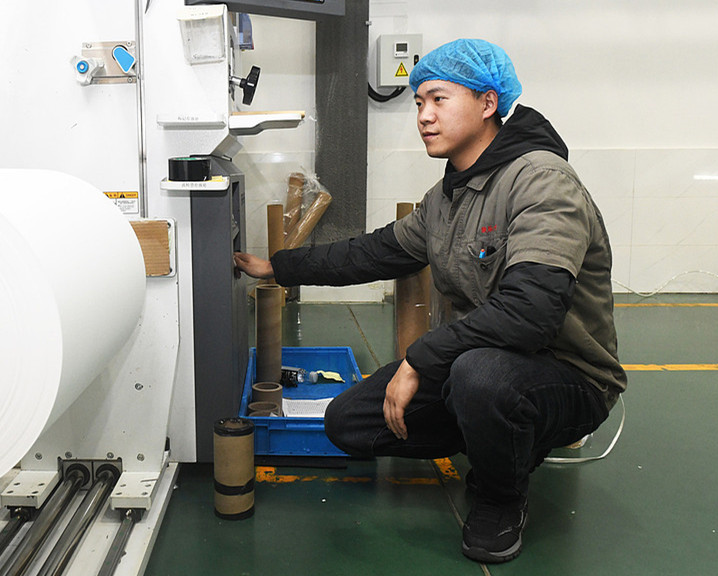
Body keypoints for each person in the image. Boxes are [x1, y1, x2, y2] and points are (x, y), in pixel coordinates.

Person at [233, 38, 626, 564]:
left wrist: (420, 359)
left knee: (480, 378)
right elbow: (374, 253)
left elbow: (530, 312)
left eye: (439, 99)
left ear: (488, 103)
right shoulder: (448, 197)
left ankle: (500, 497)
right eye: (419, 102)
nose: (423, 115)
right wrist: (279, 267)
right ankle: (500, 440)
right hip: (475, 363)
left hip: (565, 375)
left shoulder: (542, 181)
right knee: (349, 423)